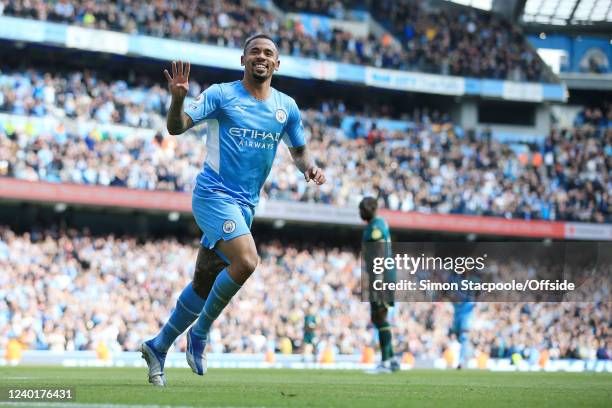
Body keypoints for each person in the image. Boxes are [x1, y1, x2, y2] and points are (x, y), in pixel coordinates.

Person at [140, 34, 326, 386]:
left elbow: (299, 150)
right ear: (243, 60)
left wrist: (310, 168)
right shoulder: (221, 95)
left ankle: (158, 346)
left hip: (245, 206)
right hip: (213, 195)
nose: (261, 56)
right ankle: (201, 333)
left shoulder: (287, 107)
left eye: (268, 53)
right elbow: (176, 127)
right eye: (254, 51)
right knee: (247, 261)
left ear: (276, 64)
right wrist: (177, 101)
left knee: (203, 283)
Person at [359, 196, 399, 373]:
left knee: (380, 316)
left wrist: (377, 280)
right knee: (378, 318)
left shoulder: (376, 226)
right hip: (380, 276)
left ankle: (385, 362)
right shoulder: (377, 224)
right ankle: (391, 360)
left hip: (381, 277)